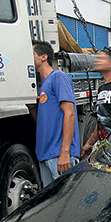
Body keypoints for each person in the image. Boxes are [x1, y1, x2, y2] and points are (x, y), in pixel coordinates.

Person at [32, 40, 80, 186]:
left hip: (59, 155)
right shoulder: (42, 87)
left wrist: (65, 152)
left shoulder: (58, 77)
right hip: (45, 155)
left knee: (65, 202)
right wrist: (32, 108)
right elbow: (43, 122)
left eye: (31, 54)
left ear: (43, 57)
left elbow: (70, 114)